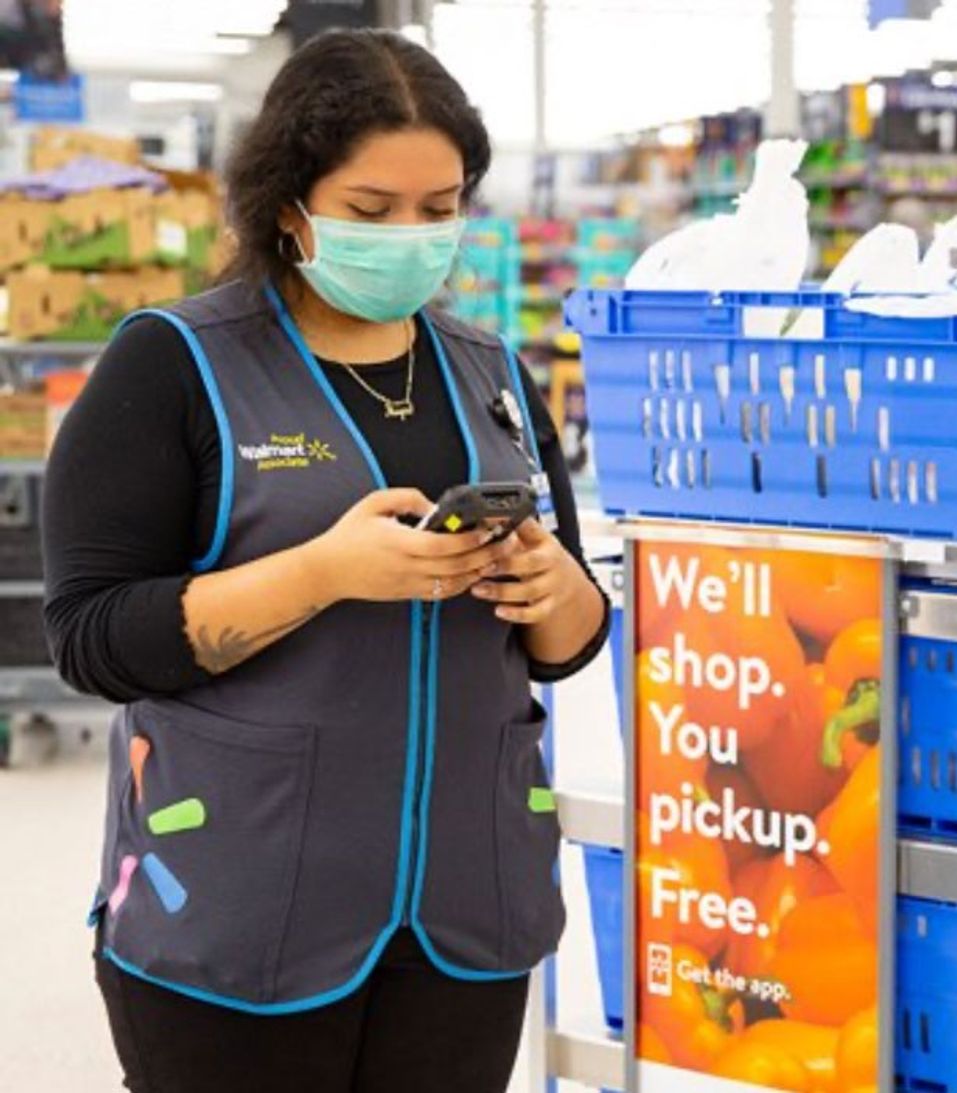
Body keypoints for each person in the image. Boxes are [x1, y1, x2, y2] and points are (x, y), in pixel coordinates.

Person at [41, 29, 608, 1093]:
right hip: (238, 907)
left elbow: (564, 645)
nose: (412, 235)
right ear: (290, 205)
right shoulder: (174, 364)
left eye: (439, 209)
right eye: (371, 210)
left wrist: (561, 590)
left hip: (465, 909)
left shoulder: (489, 372)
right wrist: (323, 572)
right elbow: (89, 636)